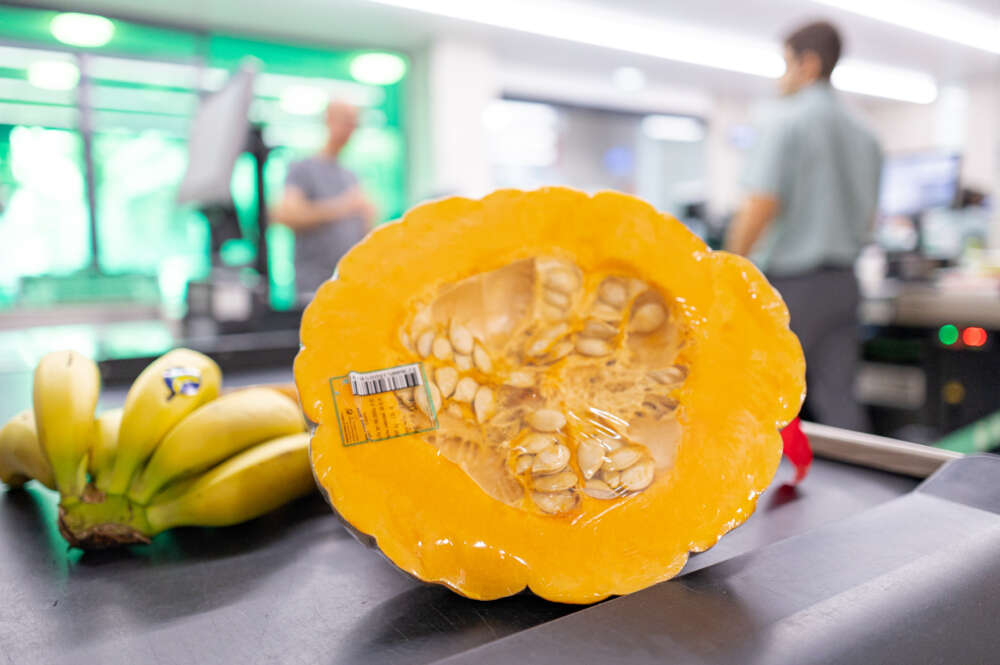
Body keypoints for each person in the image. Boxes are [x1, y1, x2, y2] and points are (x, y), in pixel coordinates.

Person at [725, 21, 883, 431]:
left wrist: (726, 268)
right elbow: (868, 217)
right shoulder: (865, 132)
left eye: (786, 64)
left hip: (793, 288)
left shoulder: (787, 120)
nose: (782, 76)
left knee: (754, 396)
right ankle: (864, 494)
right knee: (838, 399)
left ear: (808, 64)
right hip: (845, 283)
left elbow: (761, 204)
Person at [273, 100, 376, 300]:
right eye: (346, 122)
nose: (350, 130)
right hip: (313, 288)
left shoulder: (350, 176)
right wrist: (342, 207)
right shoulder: (303, 168)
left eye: (355, 124)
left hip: (349, 287)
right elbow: (285, 215)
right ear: (329, 120)